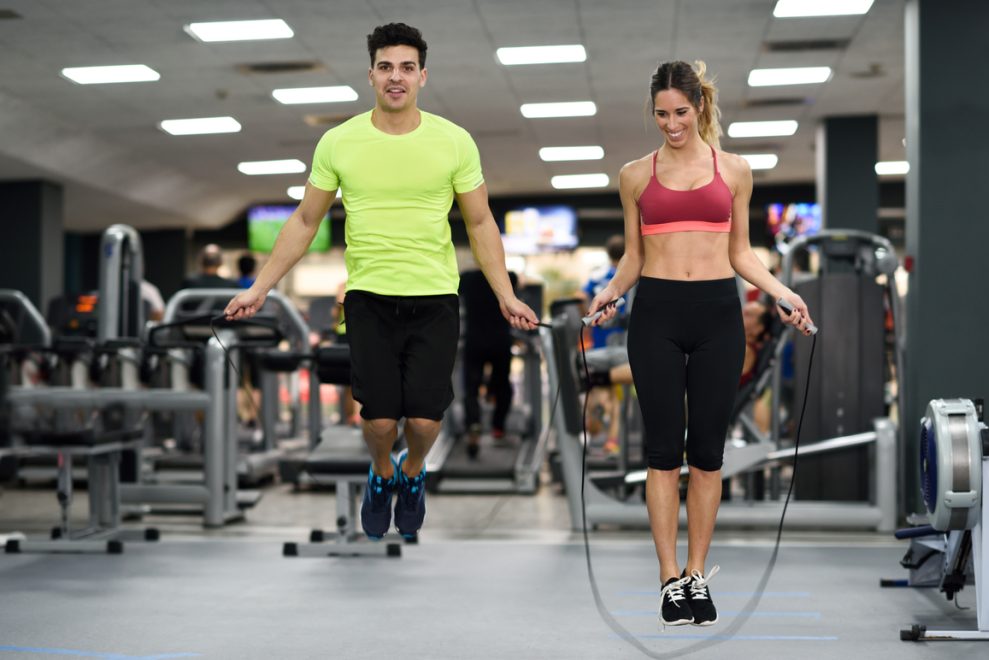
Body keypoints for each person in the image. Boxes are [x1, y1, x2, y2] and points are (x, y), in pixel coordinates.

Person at [224, 23, 538, 542]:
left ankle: (412, 472)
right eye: (386, 67)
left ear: (422, 76)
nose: (396, 77)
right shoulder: (339, 141)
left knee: (425, 421)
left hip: (435, 297)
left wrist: (506, 295)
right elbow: (305, 220)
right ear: (370, 74)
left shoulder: (454, 141)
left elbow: (481, 222)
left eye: (407, 67)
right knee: (380, 422)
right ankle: (381, 472)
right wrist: (260, 288)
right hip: (368, 298)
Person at [587, 60, 814, 629]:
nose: (671, 124)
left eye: (681, 113)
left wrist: (783, 293)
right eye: (661, 114)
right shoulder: (635, 175)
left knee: (708, 454)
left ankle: (696, 575)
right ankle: (669, 580)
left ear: (700, 106)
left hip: (718, 314)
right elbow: (634, 257)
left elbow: (740, 253)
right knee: (663, 452)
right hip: (656, 314)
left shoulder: (733, 170)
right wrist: (610, 293)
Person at [458, 268, 518, 459]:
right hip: (500, 341)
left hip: (474, 341)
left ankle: (473, 425)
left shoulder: (467, 278)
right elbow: (522, 283)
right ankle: (498, 428)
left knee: (471, 388)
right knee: (502, 385)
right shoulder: (509, 276)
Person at [580, 235, 630, 455]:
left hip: (599, 346)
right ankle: (612, 441)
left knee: (599, 391)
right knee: (616, 397)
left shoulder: (597, 276)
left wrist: (588, 316)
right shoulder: (629, 276)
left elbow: (580, 295)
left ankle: (595, 426)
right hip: (623, 347)